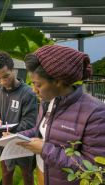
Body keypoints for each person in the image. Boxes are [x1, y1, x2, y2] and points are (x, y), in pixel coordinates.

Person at [10, 45, 105, 185]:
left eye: (38, 85)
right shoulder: (48, 101)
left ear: (58, 81)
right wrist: (15, 135)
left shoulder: (95, 113)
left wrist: (44, 150)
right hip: (43, 175)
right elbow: (41, 130)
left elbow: (95, 170)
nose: (33, 90)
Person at [0, 51, 37, 185]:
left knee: (27, 179)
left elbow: (30, 123)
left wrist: (10, 131)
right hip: (4, 145)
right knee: (6, 179)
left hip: (23, 145)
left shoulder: (28, 92)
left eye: (6, 76)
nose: (3, 81)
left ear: (13, 69)